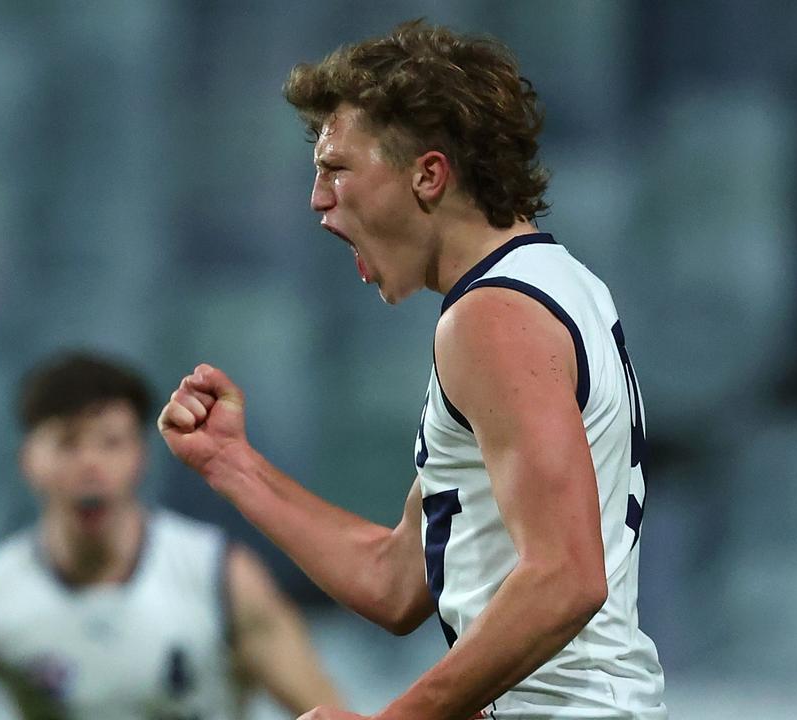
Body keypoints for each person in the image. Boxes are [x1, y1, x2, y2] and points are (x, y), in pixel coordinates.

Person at [158, 19, 665, 720]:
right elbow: (397, 580)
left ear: (428, 174)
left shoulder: (494, 317)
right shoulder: (551, 287)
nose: (316, 198)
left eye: (337, 168)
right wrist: (232, 464)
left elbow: (567, 578)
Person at [0, 351, 341, 720]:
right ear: (28, 462)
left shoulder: (219, 579)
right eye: (67, 444)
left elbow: (329, 712)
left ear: (139, 458)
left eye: (110, 443)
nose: (90, 465)